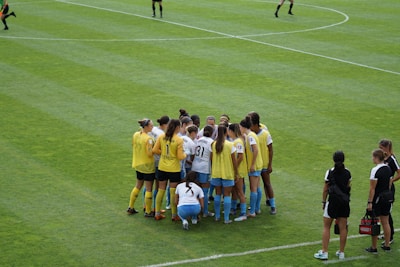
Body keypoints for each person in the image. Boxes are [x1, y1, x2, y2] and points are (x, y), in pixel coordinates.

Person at [314, 151, 351, 260]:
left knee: (326, 227)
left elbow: (325, 189)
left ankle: (325, 252)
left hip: (333, 202)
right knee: (343, 228)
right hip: (344, 203)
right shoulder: (348, 173)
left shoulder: (330, 172)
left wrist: (324, 202)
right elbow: (348, 187)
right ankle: (341, 252)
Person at [152, 119, 187, 221]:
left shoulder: (162, 136)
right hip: (174, 169)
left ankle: (157, 213)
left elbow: (154, 150)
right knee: (173, 192)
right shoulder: (179, 140)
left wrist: (163, 153)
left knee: (161, 190)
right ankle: (174, 215)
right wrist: (186, 154)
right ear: (177, 127)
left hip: (162, 167)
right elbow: (180, 156)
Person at [365, 149, 393, 253]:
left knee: (375, 222)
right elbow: (390, 184)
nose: (372, 159)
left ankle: (374, 247)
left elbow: (372, 188)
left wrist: (370, 202)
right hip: (387, 198)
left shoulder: (375, 170)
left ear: (376, 158)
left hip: (377, 200)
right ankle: (387, 245)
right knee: (385, 222)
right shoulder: (388, 168)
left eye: (373, 157)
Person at [210, 125, 239, 224]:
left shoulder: (213, 144)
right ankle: (226, 218)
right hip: (227, 172)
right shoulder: (230, 145)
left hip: (216, 172)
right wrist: (236, 173)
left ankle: (217, 216)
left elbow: (211, 158)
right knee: (227, 195)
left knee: (218, 193)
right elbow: (234, 161)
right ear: (226, 132)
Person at [127, 119, 156, 217]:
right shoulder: (149, 139)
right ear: (146, 127)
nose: (152, 127)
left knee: (138, 185)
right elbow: (149, 153)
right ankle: (148, 211)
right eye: (151, 125)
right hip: (147, 166)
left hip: (138, 163)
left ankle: (130, 207)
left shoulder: (136, 134)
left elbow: (133, 145)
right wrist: (156, 149)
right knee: (148, 188)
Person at [249, 112, 276, 215]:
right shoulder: (250, 134)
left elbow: (270, 149)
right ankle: (256, 207)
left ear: (255, 124)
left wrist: (270, 164)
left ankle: (273, 205)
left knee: (267, 184)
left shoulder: (265, 134)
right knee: (256, 186)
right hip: (254, 165)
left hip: (264, 164)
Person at [240, 116, 263, 218]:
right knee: (257, 187)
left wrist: (252, 164)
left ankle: (252, 211)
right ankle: (257, 209)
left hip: (255, 165)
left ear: (243, 127)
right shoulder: (251, 135)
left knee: (253, 188)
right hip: (259, 164)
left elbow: (256, 150)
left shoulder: (250, 136)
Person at [379, 139, 400, 245]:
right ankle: (386, 233)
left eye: (381, 148)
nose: (380, 150)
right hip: (381, 188)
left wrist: (392, 180)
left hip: (388, 190)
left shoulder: (392, 159)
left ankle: (390, 236)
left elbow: (399, 173)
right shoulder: (383, 158)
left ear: (387, 148)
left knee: (387, 213)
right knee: (382, 212)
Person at [192, 125, 215, 218]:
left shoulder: (198, 140)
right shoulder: (211, 142)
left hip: (195, 166)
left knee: (195, 189)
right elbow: (212, 157)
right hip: (204, 168)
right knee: (204, 191)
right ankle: (205, 211)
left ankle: (196, 211)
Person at [148, 115, 170, 211]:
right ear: (166, 124)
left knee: (148, 185)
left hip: (150, 159)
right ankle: (156, 208)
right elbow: (159, 148)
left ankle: (146, 206)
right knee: (158, 186)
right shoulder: (161, 134)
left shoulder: (153, 130)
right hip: (158, 161)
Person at [228, 123, 248, 222]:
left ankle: (243, 213)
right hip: (237, 170)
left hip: (239, 170)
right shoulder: (236, 141)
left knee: (240, 191)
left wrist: (234, 166)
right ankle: (233, 208)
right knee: (234, 190)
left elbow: (240, 156)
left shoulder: (238, 142)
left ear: (231, 131)